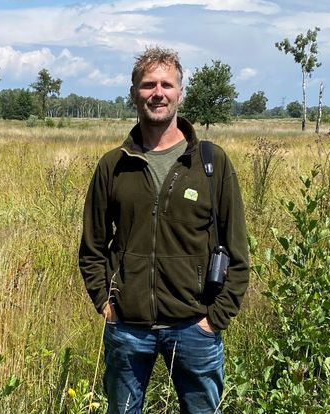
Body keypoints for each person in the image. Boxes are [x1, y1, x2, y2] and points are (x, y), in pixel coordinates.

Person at [78, 46, 249, 414]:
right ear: (134, 93)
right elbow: (92, 248)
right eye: (148, 85)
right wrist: (107, 306)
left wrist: (213, 320)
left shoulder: (211, 163)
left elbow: (237, 251)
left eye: (166, 85)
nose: (158, 92)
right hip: (128, 328)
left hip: (194, 327)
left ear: (180, 93)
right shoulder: (114, 166)